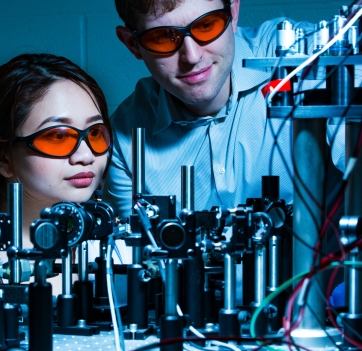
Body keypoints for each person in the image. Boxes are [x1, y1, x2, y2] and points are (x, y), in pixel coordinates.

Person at [105, 0, 345, 218]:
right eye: (164, 37)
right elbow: (136, 254)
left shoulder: (302, 58)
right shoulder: (125, 140)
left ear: (233, 12)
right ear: (132, 44)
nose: (192, 56)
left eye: (207, 25)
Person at [0, 53, 115, 318]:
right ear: (2, 157)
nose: (86, 156)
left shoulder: (120, 248)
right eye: (58, 136)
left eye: (96, 133)